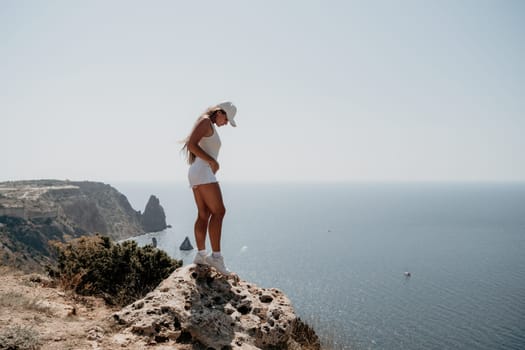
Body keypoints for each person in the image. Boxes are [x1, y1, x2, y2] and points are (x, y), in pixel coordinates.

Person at [182, 101, 237, 275]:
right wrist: (212, 161)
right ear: (219, 112)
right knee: (219, 212)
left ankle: (200, 254)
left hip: (198, 171)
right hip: (203, 170)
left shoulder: (206, 122)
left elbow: (194, 146)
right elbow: (191, 144)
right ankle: (216, 257)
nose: (226, 123)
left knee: (204, 214)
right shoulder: (206, 121)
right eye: (227, 119)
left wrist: (210, 163)